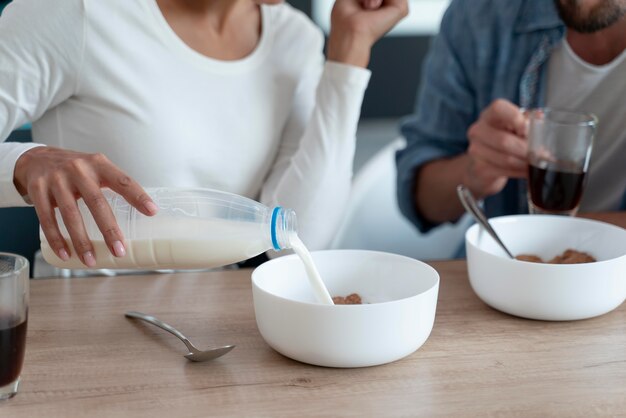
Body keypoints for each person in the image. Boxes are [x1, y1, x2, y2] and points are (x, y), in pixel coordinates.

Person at [0, 0, 408, 268]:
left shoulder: (293, 38)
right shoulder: (78, 12)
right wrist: (22, 163)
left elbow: (296, 243)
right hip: (86, 327)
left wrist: (349, 56)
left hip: (211, 335)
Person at [396, 0, 626, 238]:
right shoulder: (479, 14)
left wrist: (570, 239)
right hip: (509, 264)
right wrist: (473, 172)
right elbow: (421, 200)